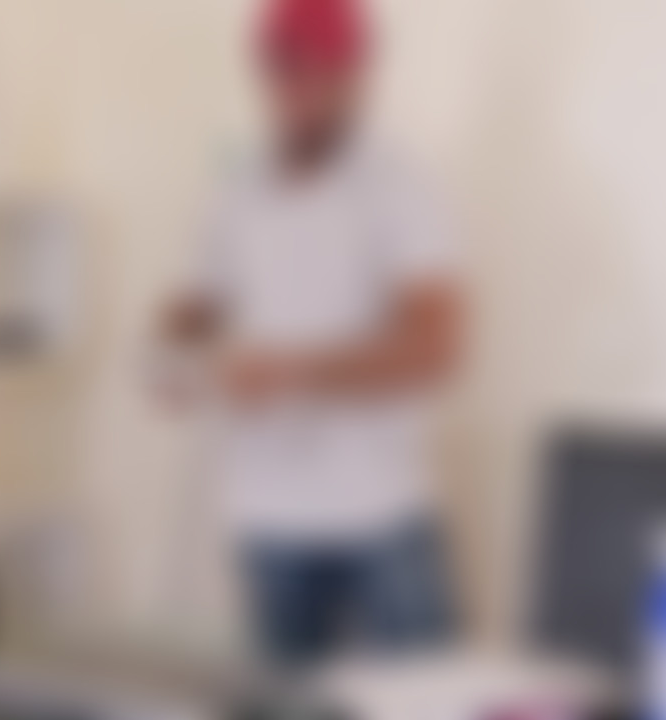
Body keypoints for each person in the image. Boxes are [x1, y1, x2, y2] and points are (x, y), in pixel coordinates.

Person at [160, 0, 462, 671]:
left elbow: (435, 347)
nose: (298, 91)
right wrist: (171, 361)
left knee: (434, 699)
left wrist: (292, 373)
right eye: (283, 72)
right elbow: (194, 308)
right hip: (268, 519)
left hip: (381, 515)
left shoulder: (400, 186)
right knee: (288, 707)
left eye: (318, 74)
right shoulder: (235, 191)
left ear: (356, 77)